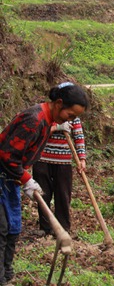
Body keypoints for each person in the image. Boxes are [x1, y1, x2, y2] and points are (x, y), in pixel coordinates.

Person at [0, 82, 88, 285]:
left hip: (10, 179)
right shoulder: (34, 119)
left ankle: (6, 275)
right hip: (3, 176)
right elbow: (6, 155)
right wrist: (27, 179)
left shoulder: (47, 121)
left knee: (13, 228)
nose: (71, 121)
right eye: (71, 116)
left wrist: (23, 177)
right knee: (2, 230)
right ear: (59, 103)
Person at [33, 116, 87, 237]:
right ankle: (45, 227)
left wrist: (82, 158)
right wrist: (55, 127)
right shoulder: (46, 114)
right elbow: (36, 133)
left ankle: (63, 228)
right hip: (42, 159)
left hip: (63, 161)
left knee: (63, 194)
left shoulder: (73, 116)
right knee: (43, 194)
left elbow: (79, 137)